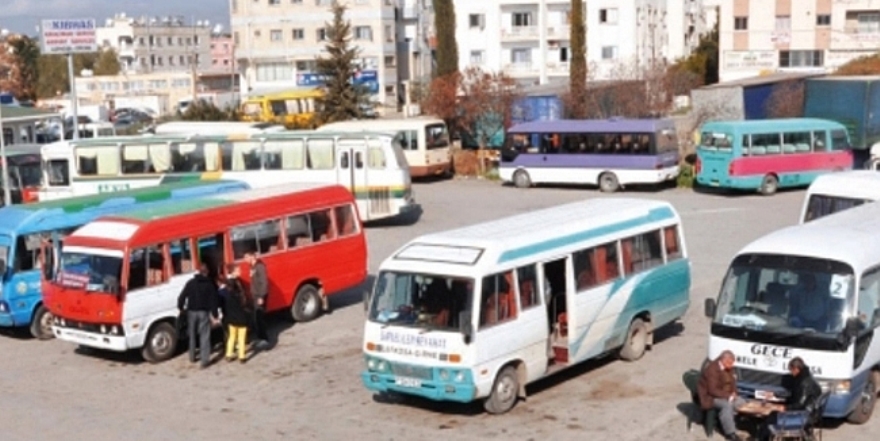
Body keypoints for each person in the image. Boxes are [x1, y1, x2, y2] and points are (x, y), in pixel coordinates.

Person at [759, 357, 823, 440]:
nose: (791, 373)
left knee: (771, 418)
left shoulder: (804, 383)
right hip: (810, 412)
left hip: (803, 416)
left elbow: (800, 404)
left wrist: (785, 407)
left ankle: (762, 438)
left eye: (791, 370)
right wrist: (775, 394)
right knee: (773, 414)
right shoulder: (805, 377)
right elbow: (794, 395)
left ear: (796, 369)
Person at [177, 263, 220, 369]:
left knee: (191, 334)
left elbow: (182, 297)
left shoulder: (191, 283)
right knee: (204, 335)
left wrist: (181, 308)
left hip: (191, 311)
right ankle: (204, 361)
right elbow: (213, 301)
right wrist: (215, 314)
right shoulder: (209, 285)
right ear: (207, 272)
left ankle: (192, 356)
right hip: (203, 312)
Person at [697, 350, 745, 441]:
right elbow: (712, 390)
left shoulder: (729, 368)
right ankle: (730, 433)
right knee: (726, 406)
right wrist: (728, 396)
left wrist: (734, 393)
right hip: (711, 397)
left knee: (741, 402)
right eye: (730, 363)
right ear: (724, 360)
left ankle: (729, 421)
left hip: (725, 393)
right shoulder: (712, 370)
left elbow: (733, 383)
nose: (732, 365)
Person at [223, 263, 251, 363]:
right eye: (238, 270)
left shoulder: (225, 284)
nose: (240, 271)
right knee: (242, 336)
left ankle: (229, 354)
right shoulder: (237, 284)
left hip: (230, 315)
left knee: (232, 336)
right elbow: (242, 300)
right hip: (239, 313)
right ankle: (241, 356)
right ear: (233, 271)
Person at [244, 251, 269, 348]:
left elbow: (264, 282)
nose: (245, 260)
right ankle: (260, 337)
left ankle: (265, 339)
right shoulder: (252, 267)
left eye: (246, 257)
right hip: (255, 295)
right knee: (257, 318)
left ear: (252, 256)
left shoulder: (260, 267)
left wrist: (261, 296)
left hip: (259, 296)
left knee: (260, 318)